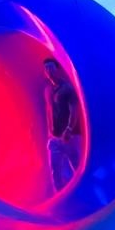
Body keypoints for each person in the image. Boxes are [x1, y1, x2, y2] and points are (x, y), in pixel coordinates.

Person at [43, 57, 84, 192]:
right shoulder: (48, 90)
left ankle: (82, 194)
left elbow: (74, 110)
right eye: (46, 68)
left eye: (51, 67)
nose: (49, 71)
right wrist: (50, 134)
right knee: (55, 171)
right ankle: (60, 198)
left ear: (57, 69)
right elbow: (49, 111)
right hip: (54, 138)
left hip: (69, 136)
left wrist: (69, 129)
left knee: (77, 168)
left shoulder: (67, 88)